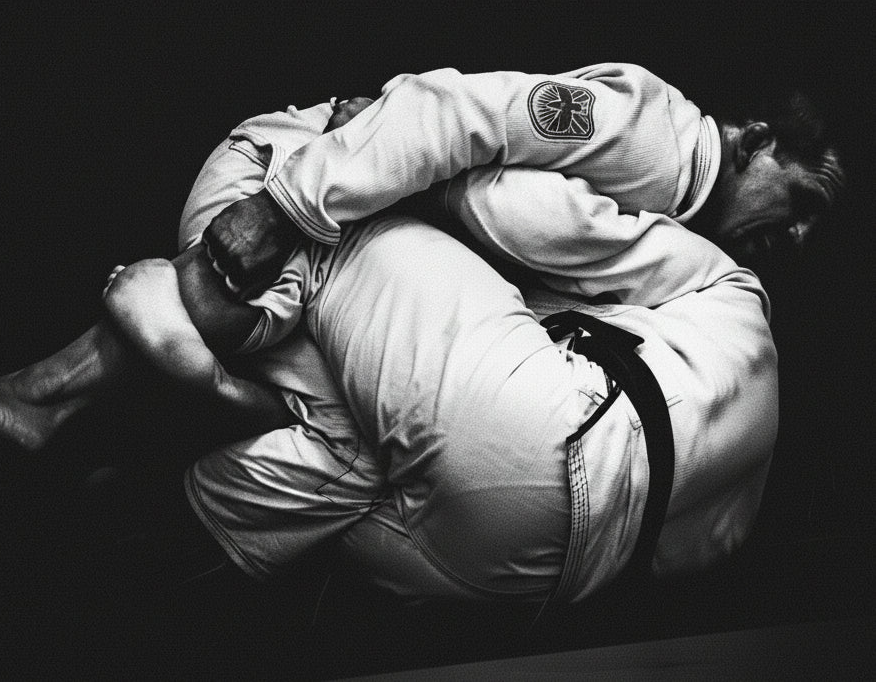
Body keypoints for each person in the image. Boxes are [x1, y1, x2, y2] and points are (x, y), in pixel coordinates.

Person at [0, 64, 843, 450]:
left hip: (363, 252)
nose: (795, 238)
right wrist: (286, 203)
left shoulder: (682, 229)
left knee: (365, 426)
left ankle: (89, 431)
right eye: (800, 200)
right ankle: (41, 396)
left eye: (815, 230)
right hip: (300, 191)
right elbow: (457, 111)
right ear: (755, 137)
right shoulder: (654, 136)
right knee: (221, 311)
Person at [103, 205, 777, 604]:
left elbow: (542, 218)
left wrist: (431, 179)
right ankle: (157, 525)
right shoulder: (747, 478)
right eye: (801, 203)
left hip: (537, 427)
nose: (796, 232)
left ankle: (171, 379)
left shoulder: (731, 284)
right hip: (531, 576)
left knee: (328, 234)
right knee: (358, 446)